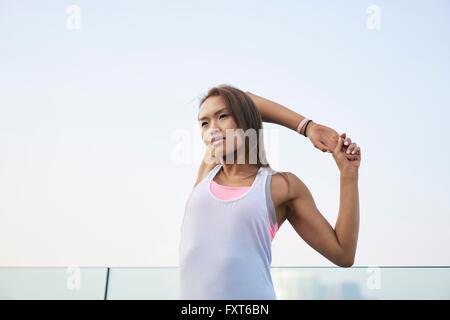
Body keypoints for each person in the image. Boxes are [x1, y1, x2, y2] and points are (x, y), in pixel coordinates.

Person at [179, 84, 361, 300]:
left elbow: (343, 254)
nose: (213, 129)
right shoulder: (206, 171)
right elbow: (245, 102)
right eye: (204, 123)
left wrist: (347, 174)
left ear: (245, 122)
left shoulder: (280, 186)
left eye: (223, 116)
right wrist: (307, 127)